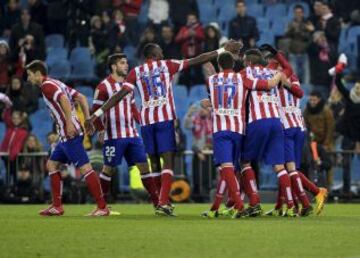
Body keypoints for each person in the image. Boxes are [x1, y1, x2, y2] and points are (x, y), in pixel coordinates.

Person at [85, 40, 243, 216]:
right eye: (160, 51)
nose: (163, 53)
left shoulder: (136, 72)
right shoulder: (167, 65)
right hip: (164, 119)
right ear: (154, 54)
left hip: (146, 122)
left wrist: (95, 115)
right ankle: (163, 202)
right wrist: (222, 49)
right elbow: (198, 59)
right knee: (167, 161)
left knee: (153, 162)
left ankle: (161, 204)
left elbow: (118, 96)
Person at [200, 51, 282, 218]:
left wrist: (208, 103)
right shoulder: (242, 78)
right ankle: (228, 205)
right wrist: (278, 76)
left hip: (221, 129)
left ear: (220, 65)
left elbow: (214, 95)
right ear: (234, 64)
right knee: (237, 167)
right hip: (240, 129)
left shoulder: (210, 80)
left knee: (227, 168)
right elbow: (267, 85)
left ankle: (237, 204)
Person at [25, 60, 109, 216]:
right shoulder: (57, 82)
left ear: (38, 74)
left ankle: (102, 207)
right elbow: (82, 98)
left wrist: (69, 123)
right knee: (51, 164)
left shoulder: (46, 86)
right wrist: (88, 120)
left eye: (29, 75)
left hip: (70, 134)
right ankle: (57, 206)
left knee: (85, 168)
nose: (28, 78)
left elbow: (63, 100)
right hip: (65, 135)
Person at [260, 44, 327, 216]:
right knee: (290, 170)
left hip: (286, 127)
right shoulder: (293, 76)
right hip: (299, 125)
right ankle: (282, 206)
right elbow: (299, 92)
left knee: (286, 169)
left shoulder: (275, 75)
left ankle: (310, 198)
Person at [91, 53, 159, 210]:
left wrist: (143, 123)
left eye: (126, 62)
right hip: (114, 136)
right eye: (122, 63)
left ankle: (158, 203)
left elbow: (133, 107)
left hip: (132, 135)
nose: (126, 66)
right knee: (108, 169)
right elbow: (95, 109)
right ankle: (101, 207)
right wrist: (101, 129)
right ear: (114, 67)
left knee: (144, 166)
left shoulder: (129, 86)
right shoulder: (102, 87)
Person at [239, 49, 297, 216]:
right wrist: (278, 55)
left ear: (248, 62)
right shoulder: (272, 71)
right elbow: (289, 70)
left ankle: (255, 203)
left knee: (245, 161)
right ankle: (291, 206)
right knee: (279, 166)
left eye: (244, 61)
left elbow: (251, 85)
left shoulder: (245, 73)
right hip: (277, 123)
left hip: (259, 122)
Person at [285, 4, 314, 84]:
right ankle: (295, 88)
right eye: (296, 12)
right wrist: (292, 29)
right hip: (293, 51)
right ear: (294, 13)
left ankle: (307, 89)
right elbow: (286, 34)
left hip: (304, 51)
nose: (298, 14)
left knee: (306, 73)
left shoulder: (308, 23)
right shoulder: (291, 23)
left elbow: (309, 36)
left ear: (303, 13)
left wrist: (299, 31)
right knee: (293, 73)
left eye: (300, 12)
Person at [175, 12, 205, 86]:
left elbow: (203, 38)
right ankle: (187, 89)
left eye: (193, 18)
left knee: (198, 73)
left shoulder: (199, 28)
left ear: (196, 19)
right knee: (186, 74)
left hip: (197, 55)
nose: (191, 20)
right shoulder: (184, 28)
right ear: (187, 20)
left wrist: (195, 34)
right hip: (186, 55)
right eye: (189, 19)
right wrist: (186, 35)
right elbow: (177, 39)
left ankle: (199, 89)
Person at [308, 31, 337, 99]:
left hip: (330, 81)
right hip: (318, 82)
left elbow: (334, 59)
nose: (322, 39)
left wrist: (326, 48)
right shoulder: (313, 49)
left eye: (323, 37)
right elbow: (311, 48)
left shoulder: (330, 48)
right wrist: (315, 42)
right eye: (319, 38)